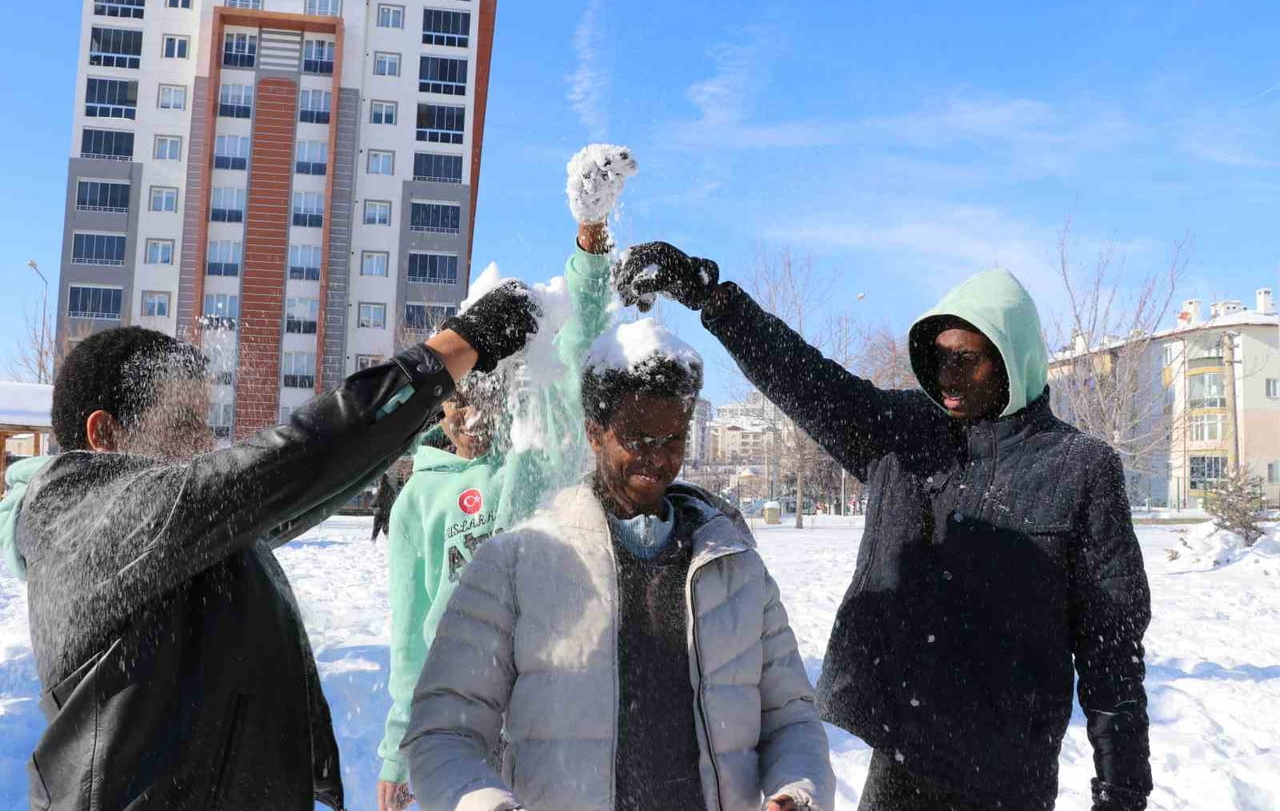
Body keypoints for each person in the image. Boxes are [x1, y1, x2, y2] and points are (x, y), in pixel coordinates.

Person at [613, 245, 1153, 811]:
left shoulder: (1080, 467)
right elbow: (807, 381)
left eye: (967, 359)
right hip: (901, 760)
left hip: (1007, 778)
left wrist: (1121, 791)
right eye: (939, 358)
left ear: (1013, 357)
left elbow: (1111, 645)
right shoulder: (908, 433)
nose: (947, 375)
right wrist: (716, 299)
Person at [1, 278, 542, 811]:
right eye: (185, 422)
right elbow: (288, 461)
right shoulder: (83, 518)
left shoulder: (171, 537)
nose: (207, 442)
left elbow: (306, 486)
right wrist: (451, 351)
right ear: (106, 435)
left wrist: (427, 396)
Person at [401, 319, 835, 811]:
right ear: (594, 433)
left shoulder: (735, 568)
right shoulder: (516, 563)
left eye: (673, 439)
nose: (656, 458)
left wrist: (796, 795)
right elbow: (442, 731)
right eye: (637, 437)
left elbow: (792, 720)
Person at [375, 145, 633, 810]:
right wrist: (398, 741)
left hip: (545, 675)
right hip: (460, 688)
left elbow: (578, 330)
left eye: (477, 400)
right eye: (452, 403)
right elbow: (408, 633)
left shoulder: (536, 456)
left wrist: (590, 235)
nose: (464, 416)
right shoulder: (420, 501)